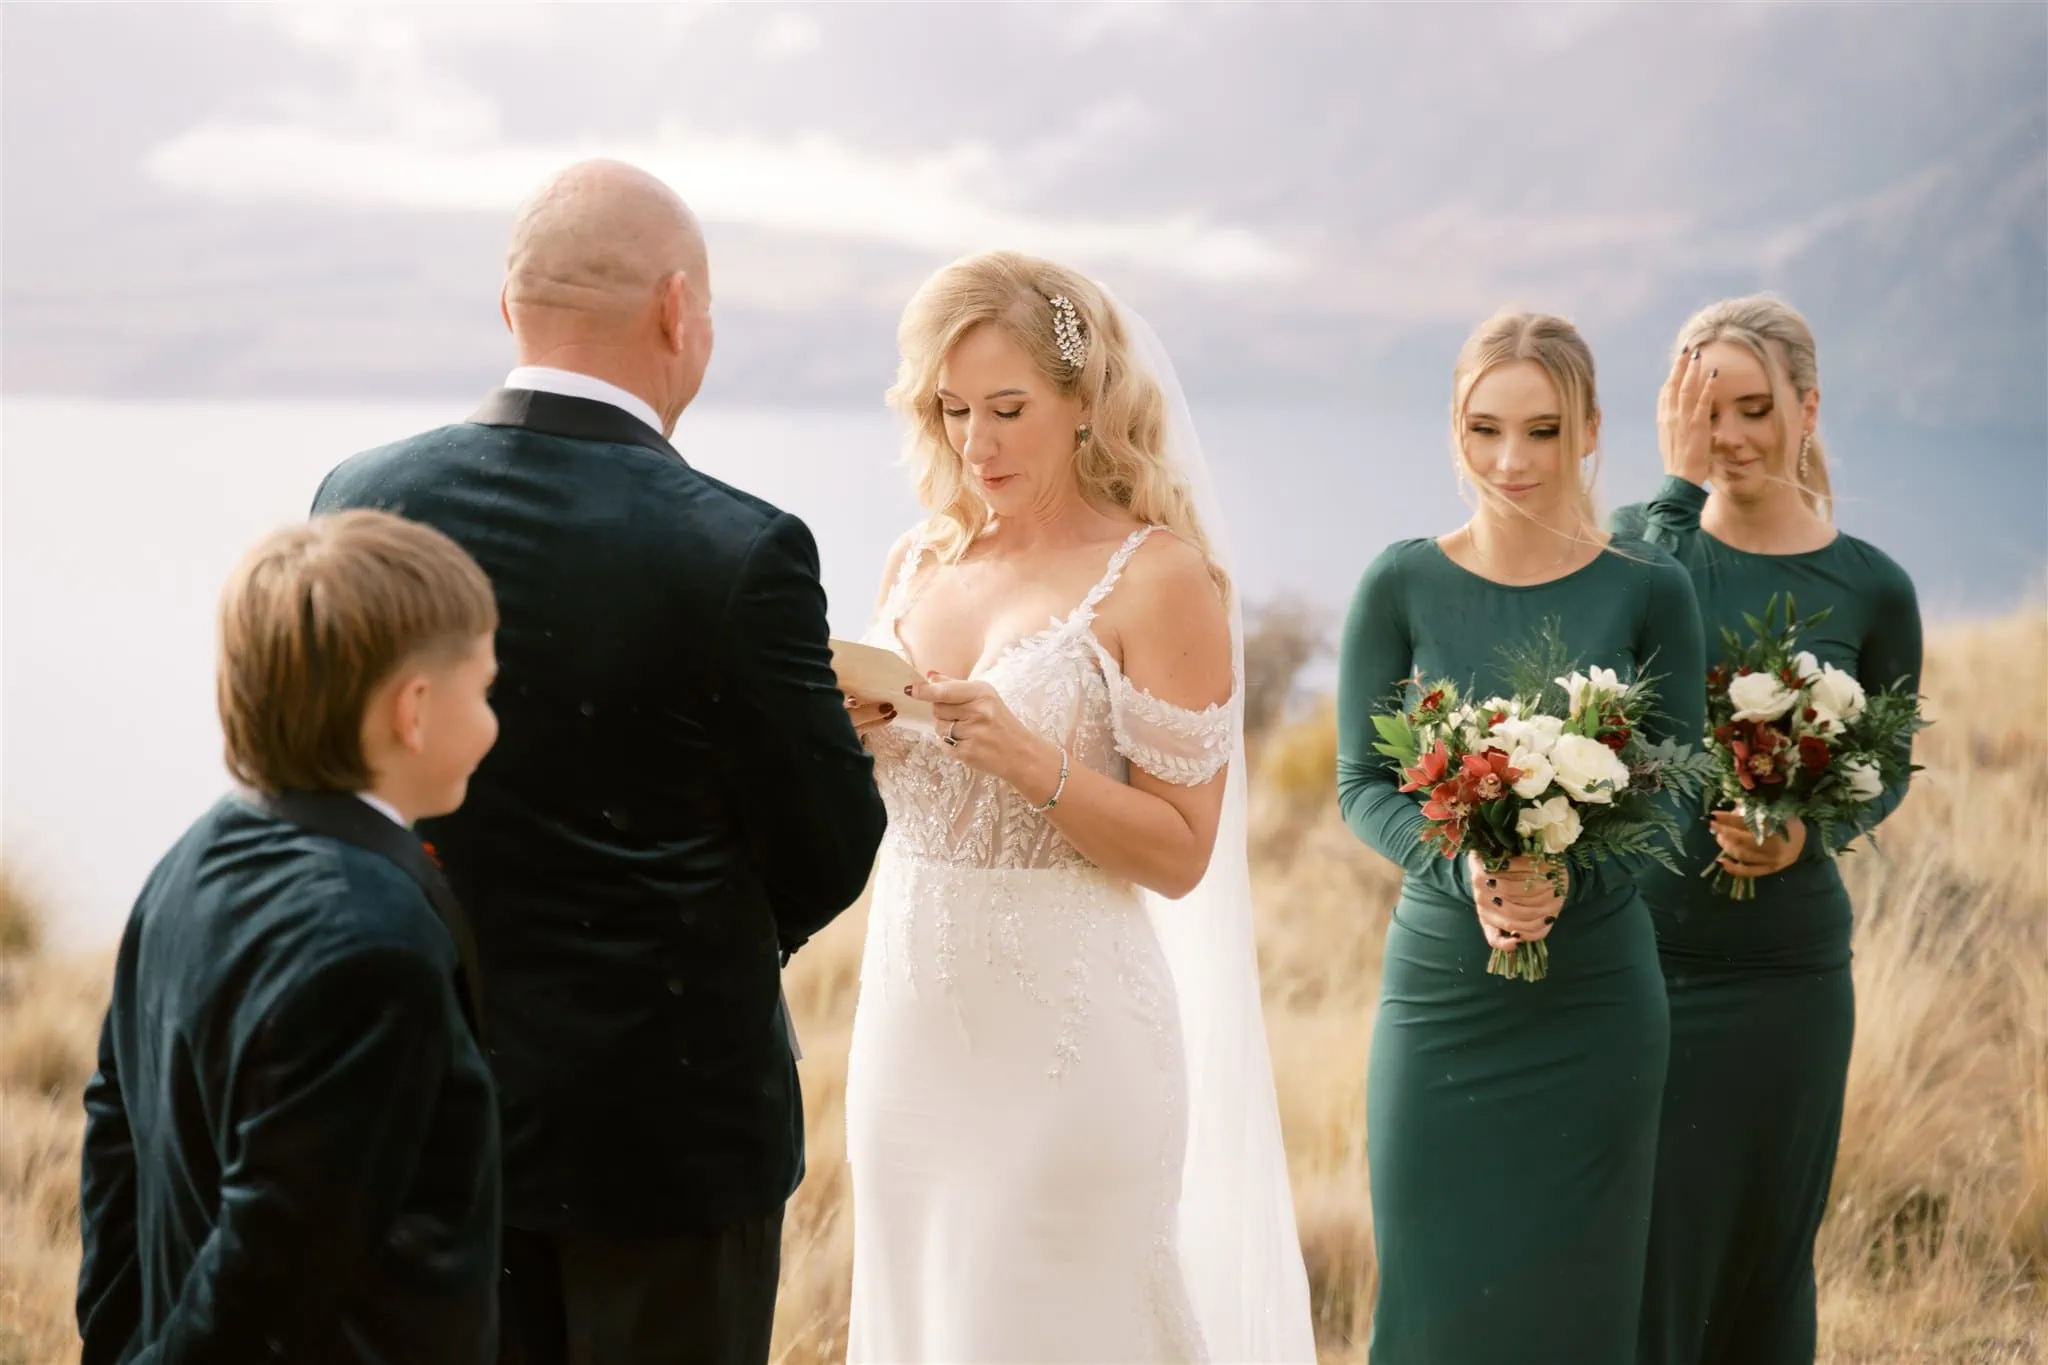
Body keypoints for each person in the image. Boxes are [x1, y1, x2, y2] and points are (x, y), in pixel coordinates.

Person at [311, 159, 887, 1365]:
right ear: (678, 311)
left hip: (415, 1107)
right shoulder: (740, 548)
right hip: (666, 1147)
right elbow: (829, 848)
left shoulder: (357, 502)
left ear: (508, 308)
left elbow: (332, 799)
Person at [841, 251, 1315, 1363]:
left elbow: (1182, 853)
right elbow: (905, 798)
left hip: (1068, 1045)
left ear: (1083, 404)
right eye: (952, 410)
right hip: (907, 1035)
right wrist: (855, 737)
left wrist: (1031, 763)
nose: (976, 442)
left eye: (1007, 409)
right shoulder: (917, 560)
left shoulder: (1157, 580)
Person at [1334, 310, 1706, 1363]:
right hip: (1442, 997)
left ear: (1588, 428)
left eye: (1541, 430)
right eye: (1483, 427)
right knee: (1431, 1301)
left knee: (1578, 1306)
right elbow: (1358, 782)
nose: (1510, 459)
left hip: (1594, 1001)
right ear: (1452, 428)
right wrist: (1466, 870)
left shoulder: (1647, 588)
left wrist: (1562, 890)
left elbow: (1676, 790)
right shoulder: (1399, 581)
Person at [78, 509, 503, 1365]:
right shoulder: (371, 955)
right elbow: (265, 1283)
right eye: (485, 687)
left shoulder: (187, 866)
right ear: (413, 712)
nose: (494, 720)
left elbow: (113, 1149)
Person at [1613, 294, 1922, 1365]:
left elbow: (1883, 767)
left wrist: (1808, 833)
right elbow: (1617, 623)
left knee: (1764, 1258)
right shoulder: (1639, 545)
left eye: (1750, 409)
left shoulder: (1872, 584)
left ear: (1806, 407)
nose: (1727, 437)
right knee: (1650, 1259)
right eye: (1701, 413)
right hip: (1643, 963)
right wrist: (1672, 486)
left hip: (1789, 975)